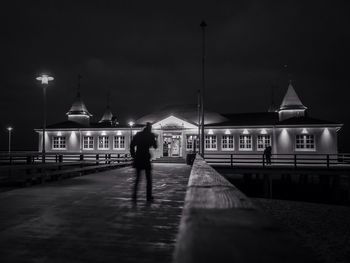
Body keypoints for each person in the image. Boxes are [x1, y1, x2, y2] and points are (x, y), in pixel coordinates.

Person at [130, 122, 158, 201]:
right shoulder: (151, 135)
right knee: (148, 179)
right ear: (150, 128)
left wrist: (133, 154)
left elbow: (132, 145)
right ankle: (148, 196)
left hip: (138, 158)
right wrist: (155, 139)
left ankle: (134, 195)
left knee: (137, 178)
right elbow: (155, 146)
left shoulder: (138, 134)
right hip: (146, 158)